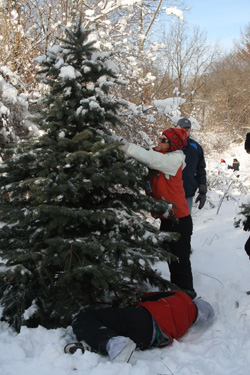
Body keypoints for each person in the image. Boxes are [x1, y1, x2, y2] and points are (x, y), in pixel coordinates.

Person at [109, 128, 195, 297]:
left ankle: (187, 294)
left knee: (180, 260)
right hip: (166, 218)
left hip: (180, 220)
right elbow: (146, 157)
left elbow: (150, 159)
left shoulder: (175, 160)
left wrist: (123, 144)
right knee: (171, 258)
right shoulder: (160, 154)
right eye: (160, 138)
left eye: (164, 140)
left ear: (173, 144)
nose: (159, 141)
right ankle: (176, 292)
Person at [64, 290, 214, 363]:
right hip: (147, 339)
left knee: (84, 318)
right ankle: (94, 344)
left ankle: (111, 343)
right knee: (117, 329)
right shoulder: (186, 324)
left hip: (144, 317)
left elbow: (150, 296)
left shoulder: (182, 297)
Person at [176, 118, 207, 214]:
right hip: (170, 192)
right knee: (169, 226)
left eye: (187, 130)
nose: (184, 132)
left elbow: (201, 169)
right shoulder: (168, 145)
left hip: (187, 192)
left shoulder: (196, 147)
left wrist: (202, 190)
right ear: (176, 129)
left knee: (185, 223)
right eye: (181, 129)